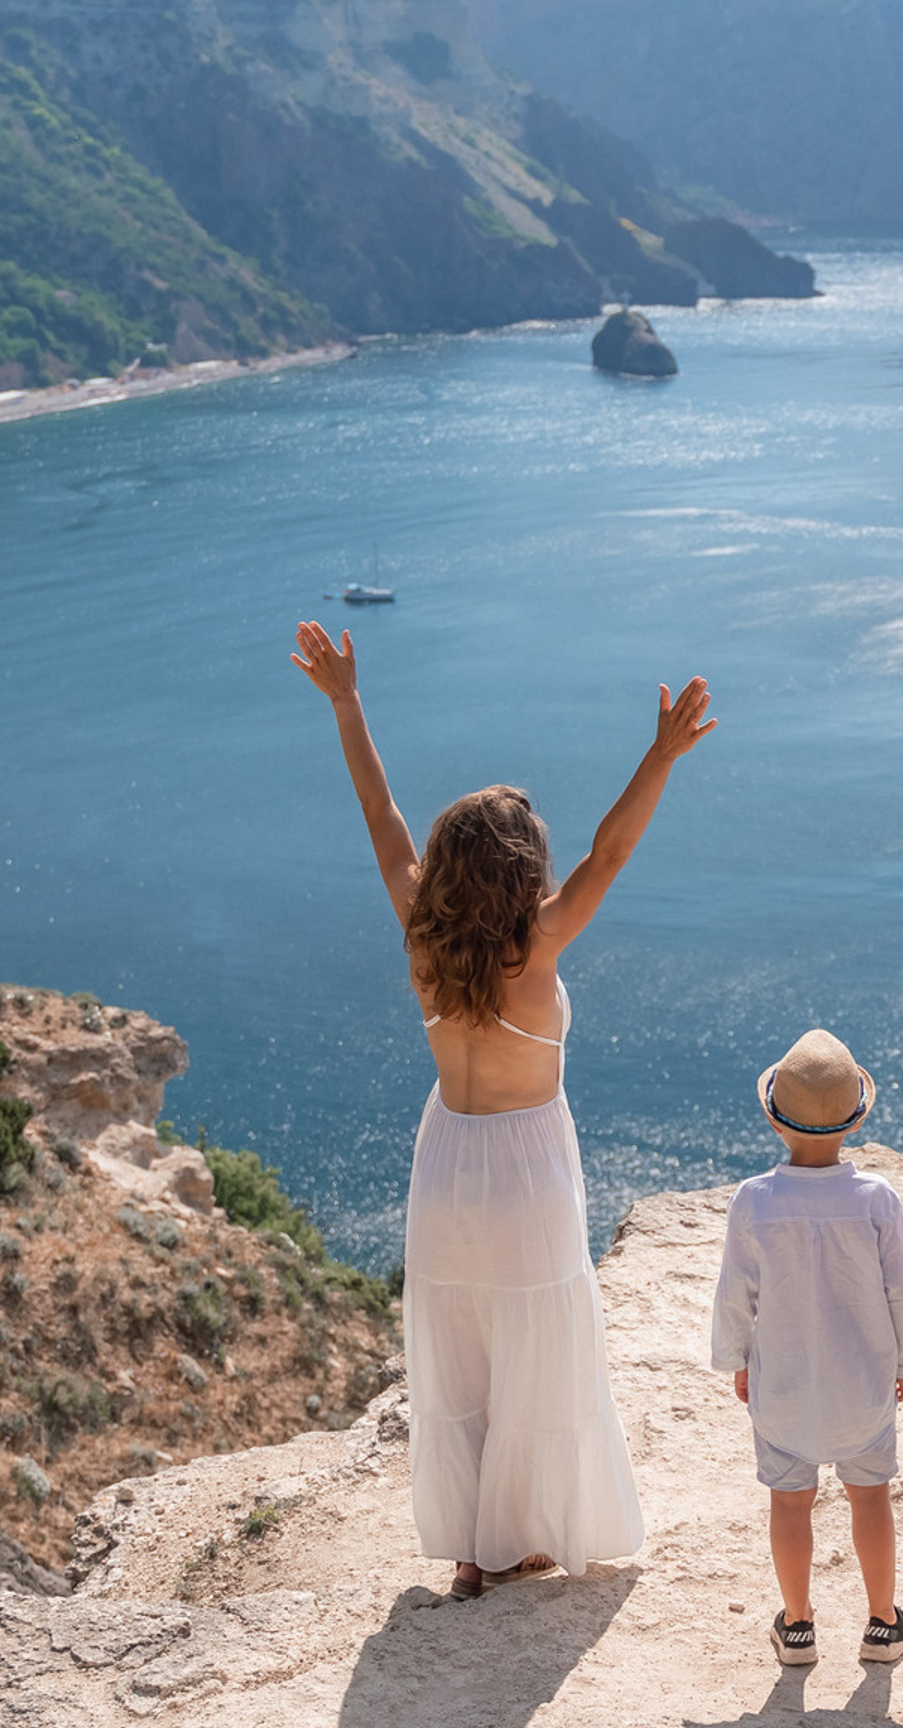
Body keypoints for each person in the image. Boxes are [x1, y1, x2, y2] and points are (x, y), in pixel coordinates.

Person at [292, 619, 715, 1598]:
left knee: (464, 1353)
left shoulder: (420, 930)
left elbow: (378, 809)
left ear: (445, 866)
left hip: (446, 1161)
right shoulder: (543, 942)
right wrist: (659, 754)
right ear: (523, 870)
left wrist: (347, 701)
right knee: (536, 1351)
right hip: (526, 1168)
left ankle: (469, 1552)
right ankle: (522, 1538)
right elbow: (610, 853)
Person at [711, 1028, 903, 1674]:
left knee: (789, 1503)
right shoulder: (876, 1199)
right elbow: (901, 1291)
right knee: (870, 1498)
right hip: (863, 1387)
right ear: (856, 1119)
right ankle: (884, 1623)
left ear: (776, 1120)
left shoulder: (755, 1200)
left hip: (783, 1388)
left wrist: (738, 1361)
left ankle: (798, 1626)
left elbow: (735, 1295)